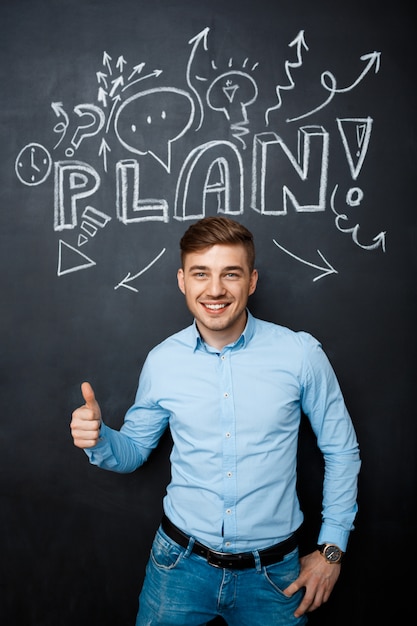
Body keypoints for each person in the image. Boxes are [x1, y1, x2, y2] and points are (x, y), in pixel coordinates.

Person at [70, 216, 361, 626]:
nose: (215, 289)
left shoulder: (301, 355)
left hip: (275, 576)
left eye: (231, 274)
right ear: (182, 280)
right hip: (179, 567)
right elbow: (133, 451)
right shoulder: (162, 361)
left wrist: (332, 550)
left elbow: (341, 450)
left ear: (252, 281)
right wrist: (99, 439)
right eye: (201, 273)